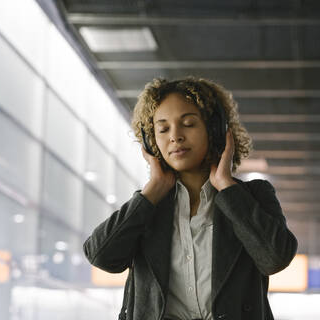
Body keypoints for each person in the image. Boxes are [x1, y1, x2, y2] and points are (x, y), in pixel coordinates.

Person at [83, 77, 298, 320]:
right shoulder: (148, 204)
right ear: (151, 141)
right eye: (163, 129)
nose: (175, 136)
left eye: (188, 124)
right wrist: (153, 190)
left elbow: (275, 259)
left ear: (215, 129)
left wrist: (226, 187)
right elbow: (102, 256)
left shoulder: (253, 196)